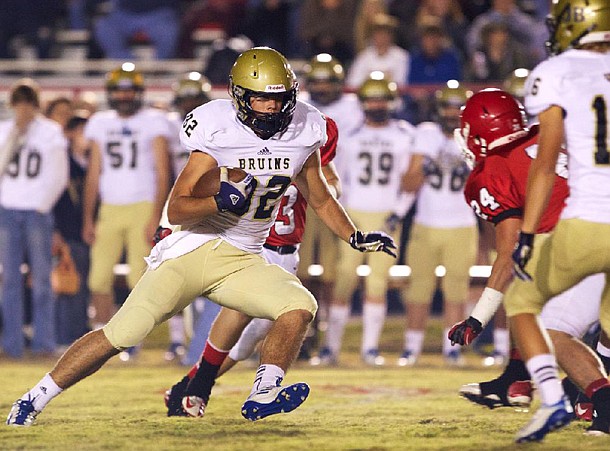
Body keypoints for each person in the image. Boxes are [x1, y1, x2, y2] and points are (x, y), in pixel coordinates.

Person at [6, 46, 395, 427]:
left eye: (279, 99)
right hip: (192, 249)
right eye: (262, 100)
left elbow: (320, 195)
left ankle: (263, 393)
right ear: (241, 97)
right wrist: (218, 200)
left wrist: (354, 236)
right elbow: (177, 208)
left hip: (244, 257)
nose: (272, 109)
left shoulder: (305, 127)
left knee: (299, 305)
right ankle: (34, 398)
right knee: (122, 333)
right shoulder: (216, 127)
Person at [164, 117, 340, 417]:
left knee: (248, 340)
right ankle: (208, 388)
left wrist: (318, 192)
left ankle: (186, 387)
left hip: (287, 250)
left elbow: (330, 180)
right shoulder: (237, 137)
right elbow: (195, 187)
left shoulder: (309, 132)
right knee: (241, 311)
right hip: (252, 244)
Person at [450, 89, 606, 419]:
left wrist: (478, 318)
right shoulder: (546, 137)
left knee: (547, 329)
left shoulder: (493, 169)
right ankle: (518, 383)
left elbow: (508, 253)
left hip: (587, 247)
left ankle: (599, 403)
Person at [506, 0, 610, 442]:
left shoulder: (559, 70)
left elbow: (545, 164)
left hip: (590, 220)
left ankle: (553, 401)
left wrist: (527, 235)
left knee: (525, 304)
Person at [311, 73, 413, 366]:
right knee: (344, 281)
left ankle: (369, 348)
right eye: (371, 99)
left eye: (381, 98)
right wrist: (342, 214)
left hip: (386, 216)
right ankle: (330, 347)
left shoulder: (404, 135)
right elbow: (336, 179)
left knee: (377, 284)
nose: (376, 104)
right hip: (354, 214)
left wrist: (398, 212)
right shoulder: (350, 136)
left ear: (391, 101)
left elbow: (408, 180)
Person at [81, 63, 171, 331]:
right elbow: (93, 173)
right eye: (119, 92)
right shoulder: (99, 122)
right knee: (97, 279)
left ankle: (134, 335)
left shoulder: (154, 121)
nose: (123, 96)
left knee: (138, 277)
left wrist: (157, 214)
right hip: (109, 207)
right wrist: (88, 217)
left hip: (142, 206)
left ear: (138, 92)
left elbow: (163, 173)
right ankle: (100, 334)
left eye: (129, 91)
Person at [399, 82, 477, 367]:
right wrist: (425, 165)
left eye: (458, 107)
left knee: (457, 291)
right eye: (447, 107)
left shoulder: (476, 138)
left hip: (462, 224)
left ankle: (452, 349)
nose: (452, 113)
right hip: (426, 223)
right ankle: (411, 348)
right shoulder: (427, 134)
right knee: (418, 289)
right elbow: (408, 183)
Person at [298, 53, 364, 360]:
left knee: (331, 275)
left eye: (328, 81)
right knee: (297, 270)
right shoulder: (299, 108)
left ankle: (329, 339)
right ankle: (303, 331)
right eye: (318, 81)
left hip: (336, 198)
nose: (322, 87)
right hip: (302, 197)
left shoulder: (353, 110)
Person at [0, 79, 69, 359]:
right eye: (19, 102)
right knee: (10, 281)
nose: (23, 108)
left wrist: (42, 205)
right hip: (8, 209)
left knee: (41, 280)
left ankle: (44, 342)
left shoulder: (51, 132)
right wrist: (16, 134)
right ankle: (12, 343)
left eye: (27, 101)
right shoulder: (5, 130)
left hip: (36, 212)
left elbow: (58, 174)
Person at [162, 72, 213, 362]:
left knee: (205, 274)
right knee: (174, 273)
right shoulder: (168, 126)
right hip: (178, 205)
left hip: (206, 206)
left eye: (196, 99)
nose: (190, 105)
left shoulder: (215, 126)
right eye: (186, 99)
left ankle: (202, 344)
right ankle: (178, 341)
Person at [53, 115, 92, 350]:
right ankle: (64, 336)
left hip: (85, 232)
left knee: (83, 286)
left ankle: (77, 334)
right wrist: (55, 231)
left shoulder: (90, 162)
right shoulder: (63, 161)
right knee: (68, 285)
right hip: (67, 232)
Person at [346, 13, 409, 90]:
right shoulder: (364, 56)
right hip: (366, 98)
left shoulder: (401, 56)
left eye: (385, 33)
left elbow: (401, 83)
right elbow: (353, 83)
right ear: (372, 35)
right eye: (378, 33)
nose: (382, 37)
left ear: (391, 35)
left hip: (392, 99)